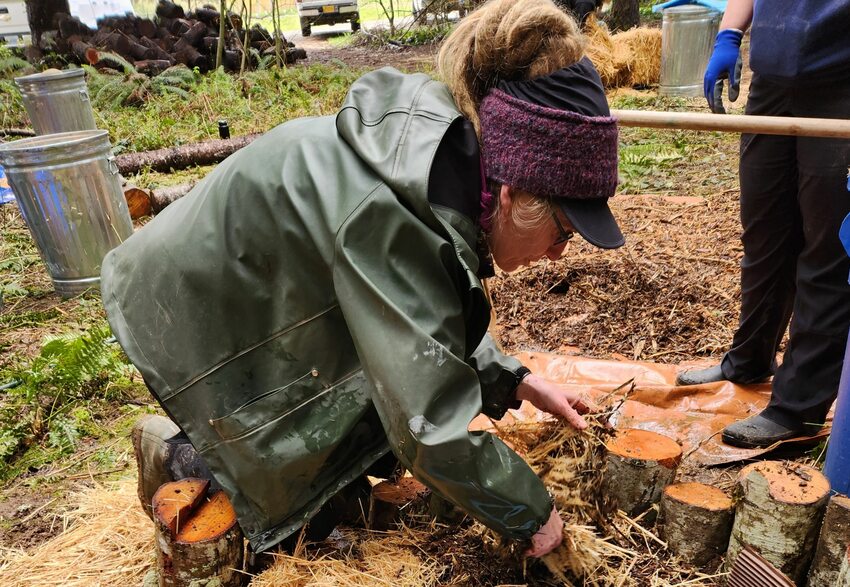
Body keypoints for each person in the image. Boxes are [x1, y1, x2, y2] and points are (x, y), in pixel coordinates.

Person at [101, 0, 623, 558]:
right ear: (516, 193)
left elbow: (421, 326)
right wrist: (529, 513)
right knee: (263, 482)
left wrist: (515, 381)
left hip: (254, 274)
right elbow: (425, 424)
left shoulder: (448, 170)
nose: (557, 255)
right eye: (562, 231)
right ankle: (178, 457)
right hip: (199, 296)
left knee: (341, 446)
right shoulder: (393, 217)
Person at [676, 0, 850, 448]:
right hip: (772, 82)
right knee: (766, 232)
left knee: (827, 250)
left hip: (840, 85)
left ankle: (797, 409)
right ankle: (749, 359)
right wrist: (729, 36)